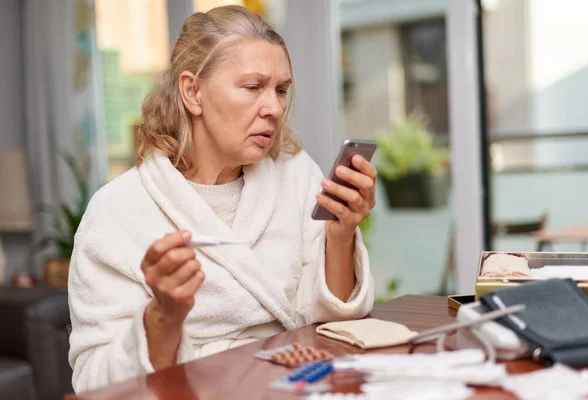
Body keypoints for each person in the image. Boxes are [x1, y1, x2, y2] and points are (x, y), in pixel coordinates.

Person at [68, 5, 376, 393]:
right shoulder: (117, 212)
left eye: (281, 90)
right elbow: (95, 382)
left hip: (301, 383)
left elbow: (333, 324)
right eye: (252, 88)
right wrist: (163, 314)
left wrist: (341, 235)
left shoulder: (296, 175)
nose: (275, 108)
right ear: (192, 92)